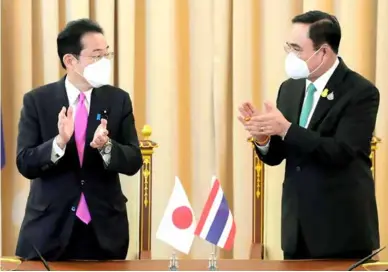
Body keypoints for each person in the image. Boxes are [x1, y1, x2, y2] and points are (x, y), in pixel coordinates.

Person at [238, 11, 380, 260]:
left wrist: (286, 129)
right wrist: (264, 139)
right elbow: (279, 156)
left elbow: (343, 151)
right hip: (296, 231)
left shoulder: (360, 92)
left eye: (296, 49)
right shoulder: (290, 89)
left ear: (323, 52)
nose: (290, 56)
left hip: (341, 231)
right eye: (289, 47)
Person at [15, 19, 143, 261]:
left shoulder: (118, 100)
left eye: (107, 55)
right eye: (96, 56)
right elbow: (25, 163)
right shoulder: (37, 101)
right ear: (70, 61)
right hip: (49, 229)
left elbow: (133, 160)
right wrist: (59, 143)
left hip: (104, 230)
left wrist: (106, 147)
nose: (104, 62)